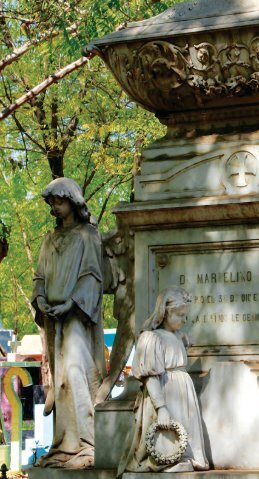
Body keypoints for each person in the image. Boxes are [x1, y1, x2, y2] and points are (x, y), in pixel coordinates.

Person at [32, 177, 105, 469]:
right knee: (61, 379)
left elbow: (92, 277)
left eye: (59, 201)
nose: (55, 208)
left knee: (76, 371)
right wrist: (40, 299)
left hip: (77, 316)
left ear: (73, 201)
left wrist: (71, 303)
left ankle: (89, 441)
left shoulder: (88, 235)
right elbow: (39, 278)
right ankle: (65, 444)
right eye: (51, 203)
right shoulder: (50, 240)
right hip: (54, 318)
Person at [119, 287, 209, 474]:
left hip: (181, 390)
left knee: (183, 428)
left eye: (185, 315)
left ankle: (183, 456)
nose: (184, 320)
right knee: (167, 431)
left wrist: (183, 343)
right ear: (165, 312)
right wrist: (161, 407)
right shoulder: (151, 338)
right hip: (165, 390)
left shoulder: (175, 336)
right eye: (180, 315)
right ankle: (164, 458)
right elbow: (151, 376)